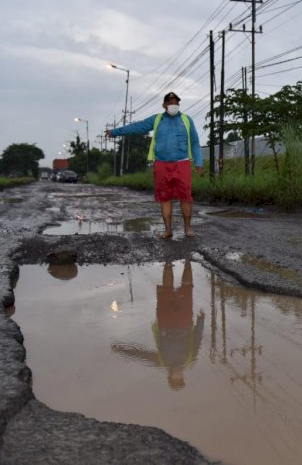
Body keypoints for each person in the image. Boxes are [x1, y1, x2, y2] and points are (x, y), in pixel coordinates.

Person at [106, 92, 204, 238]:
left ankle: (188, 228)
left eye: (176, 103)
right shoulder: (157, 120)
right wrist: (115, 132)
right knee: (165, 198)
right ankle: (168, 230)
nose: (174, 105)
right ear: (164, 105)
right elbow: (137, 127)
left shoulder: (186, 120)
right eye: (171, 102)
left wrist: (199, 162)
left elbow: (195, 143)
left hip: (182, 164)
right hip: (162, 164)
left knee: (186, 197)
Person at [110, 260, 204, 390]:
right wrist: (201, 321)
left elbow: (141, 354)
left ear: (169, 375)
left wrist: (121, 349)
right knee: (187, 288)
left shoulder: (161, 361)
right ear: (182, 376)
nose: (178, 373)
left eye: (175, 377)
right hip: (184, 320)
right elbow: (197, 339)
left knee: (166, 290)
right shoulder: (189, 359)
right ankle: (188, 261)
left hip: (165, 321)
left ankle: (168, 263)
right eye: (180, 377)